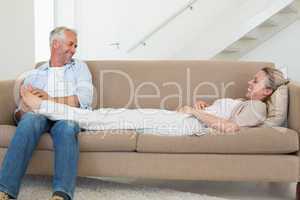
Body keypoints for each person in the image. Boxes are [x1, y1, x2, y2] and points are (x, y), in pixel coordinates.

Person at [19, 67, 287, 136]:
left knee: (105, 117)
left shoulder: (259, 107)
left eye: (256, 81)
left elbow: (230, 129)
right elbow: (222, 119)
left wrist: (195, 111)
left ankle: (42, 106)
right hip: (184, 120)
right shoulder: (246, 102)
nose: (250, 83)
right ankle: (47, 110)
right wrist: (200, 108)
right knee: (108, 116)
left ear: (267, 91)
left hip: (187, 127)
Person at [0, 27, 93, 200]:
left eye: (76, 46)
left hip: (67, 115)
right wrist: (25, 108)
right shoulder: (37, 73)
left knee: (67, 128)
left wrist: (48, 100)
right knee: (29, 121)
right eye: (71, 44)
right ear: (56, 44)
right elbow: (18, 113)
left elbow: (83, 99)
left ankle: (61, 194)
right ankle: (5, 190)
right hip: (39, 115)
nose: (74, 50)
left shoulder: (80, 67)